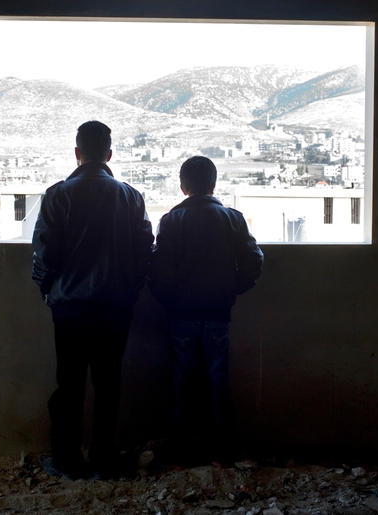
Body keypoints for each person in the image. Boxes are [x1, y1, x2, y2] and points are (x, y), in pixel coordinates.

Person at [31, 120, 154, 480]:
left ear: (77, 153)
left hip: (70, 308)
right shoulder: (130, 196)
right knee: (108, 386)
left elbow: (44, 254)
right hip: (115, 308)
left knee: (68, 387)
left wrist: (47, 289)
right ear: (109, 154)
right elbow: (144, 250)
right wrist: (129, 291)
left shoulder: (58, 195)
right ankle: (103, 461)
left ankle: (67, 461)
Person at [148, 155, 264, 467]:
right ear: (213, 185)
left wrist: (169, 298)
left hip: (181, 316)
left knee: (181, 384)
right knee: (218, 383)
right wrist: (232, 288)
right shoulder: (233, 218)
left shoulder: (171, 220)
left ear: (182, 186)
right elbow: (254, 261)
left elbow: (159, 272)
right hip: (217, 315)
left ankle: (179, 455)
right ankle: (223, 454)